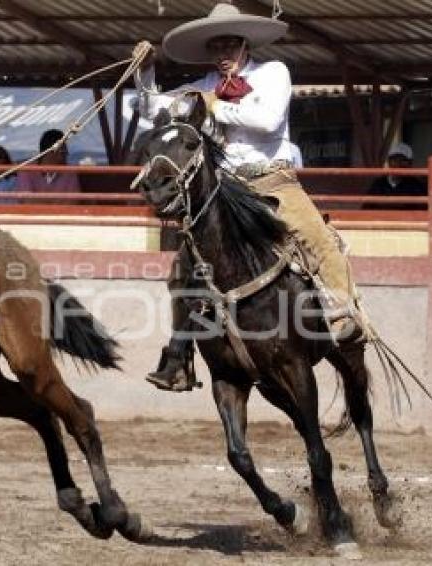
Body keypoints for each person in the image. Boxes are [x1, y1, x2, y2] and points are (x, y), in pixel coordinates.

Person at [136, 3, 363, 392]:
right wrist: (145, 72)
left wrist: (215, 107)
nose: (223, 53)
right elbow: (152, 109)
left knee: (318, 238)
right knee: (183, 269)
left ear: (244, 45)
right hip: (224, 189)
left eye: (229, 44)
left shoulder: (273, 73)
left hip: (273, 180)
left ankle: (342, 315)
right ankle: (179, 356)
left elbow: (269, 119)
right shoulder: (203, 85)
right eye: (216, 46)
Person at [365, 142, 426, 210]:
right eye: (394, 160)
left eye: (403, 160)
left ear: (410, 164)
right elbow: (367, 208)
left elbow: (423, 211)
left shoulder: (416, 186)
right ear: (388, 162)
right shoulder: (378, 184)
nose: (398, 164)